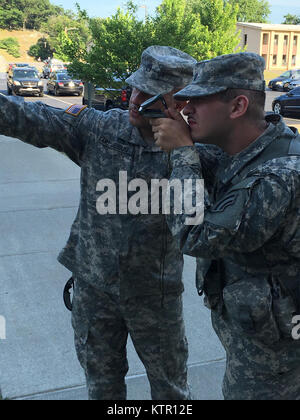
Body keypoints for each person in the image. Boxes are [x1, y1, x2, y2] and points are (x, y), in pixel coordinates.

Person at [0, 46, 197, 400]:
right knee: (102, 389)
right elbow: (31, 118)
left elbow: (197, 221)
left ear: (178, 103)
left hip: (155, 297)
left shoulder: (194, 152)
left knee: (171, 392)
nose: (136, 99)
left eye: (151, 95)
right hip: (94, 291)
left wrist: (183, 150)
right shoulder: (101, 129)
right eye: (136, 88)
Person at [150, 52, 300, 400]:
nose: (187, 109)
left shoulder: (278, 176)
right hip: (259, 339)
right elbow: (213, 163)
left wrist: (184, 152)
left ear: (237, 106)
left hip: (274, 359)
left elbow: (196, 235)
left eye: (198, 101)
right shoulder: (249, 150)